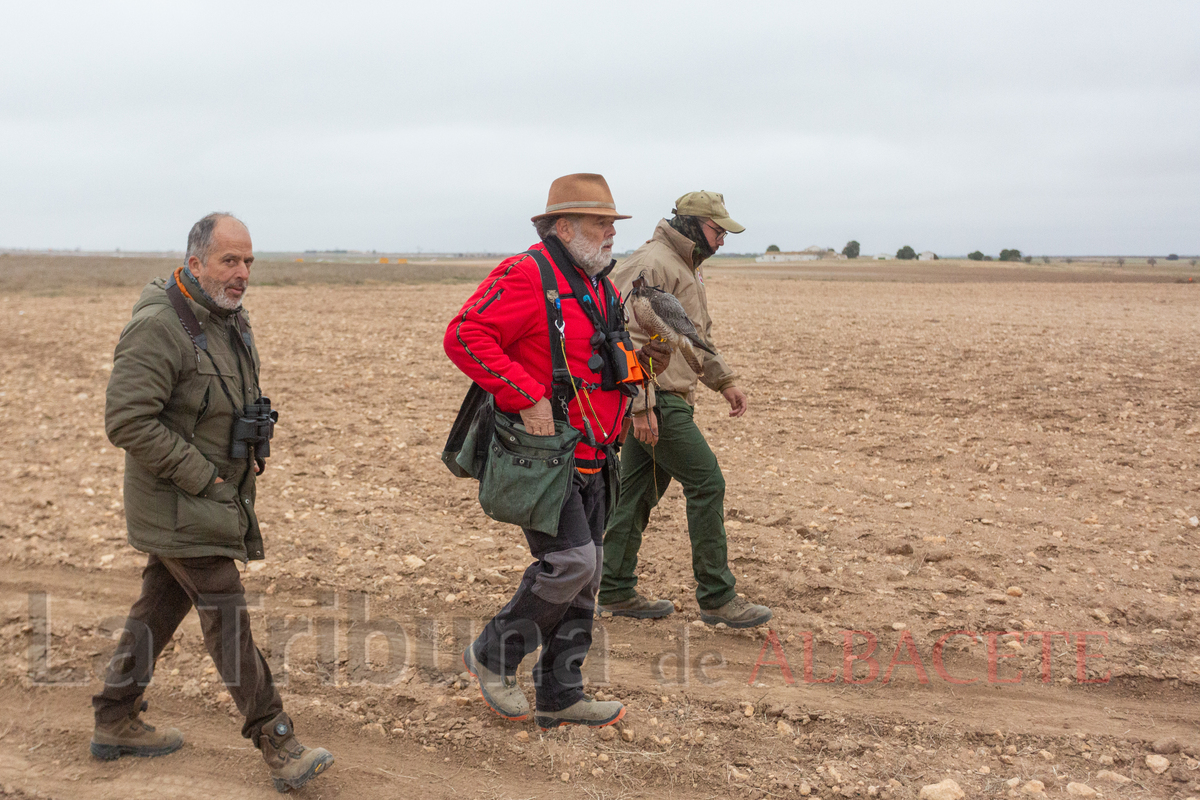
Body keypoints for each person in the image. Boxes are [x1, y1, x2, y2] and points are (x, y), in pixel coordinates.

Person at [92, 213, 334, 793]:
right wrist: (204, 476)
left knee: (160, 604)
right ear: (195, 262)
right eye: (230, 260)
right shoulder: (159, 326)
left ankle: (115, 718)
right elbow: (127, 419)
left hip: (208, 497)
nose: (243, 272)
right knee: (226, 613)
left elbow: (223, 399)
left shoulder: (225, 318)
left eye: (249, 260)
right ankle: (278, 740)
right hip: (179, 501)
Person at [443, 174, 671, 730]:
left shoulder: (600, 287)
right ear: (563, 226)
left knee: (585, 578)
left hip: (597, 452)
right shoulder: (526, 274)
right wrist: (527, 397)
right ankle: (494, 655)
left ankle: (560, 695)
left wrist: (643, 387)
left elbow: (609, 357)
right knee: (571, 563)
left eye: (613, 224)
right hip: (546, 456)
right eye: (600, 223)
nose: (611, 234)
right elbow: (465, 334)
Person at [599, 191, 773, 628]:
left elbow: (694, 336)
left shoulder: (685, 268)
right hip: (656, 401)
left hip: (671, 397)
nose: (721, 241)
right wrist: (640, 406)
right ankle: (717, 598)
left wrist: (724, 380)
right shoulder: (650, 264)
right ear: (694, 225)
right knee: (707, 482)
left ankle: (614, 589)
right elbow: (624, 341)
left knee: (636, 495)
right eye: (718, 231)